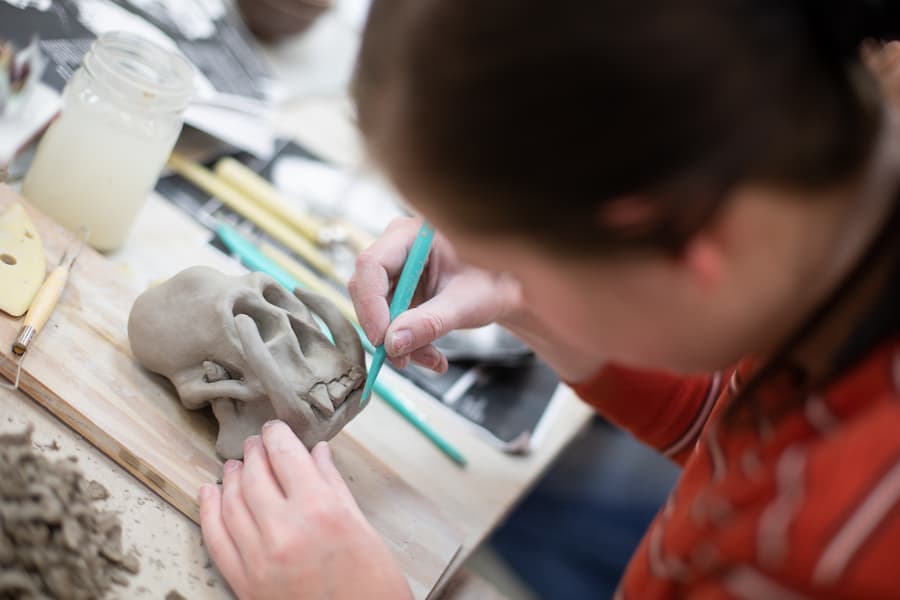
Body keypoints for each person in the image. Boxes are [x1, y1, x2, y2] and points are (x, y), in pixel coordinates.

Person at [197, 1, 900, 598]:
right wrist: (542, 305)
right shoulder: (821, 272)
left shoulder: (840, 549)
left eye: (514, 263)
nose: (503, 278)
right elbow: (737, 435)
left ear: (676, 245)